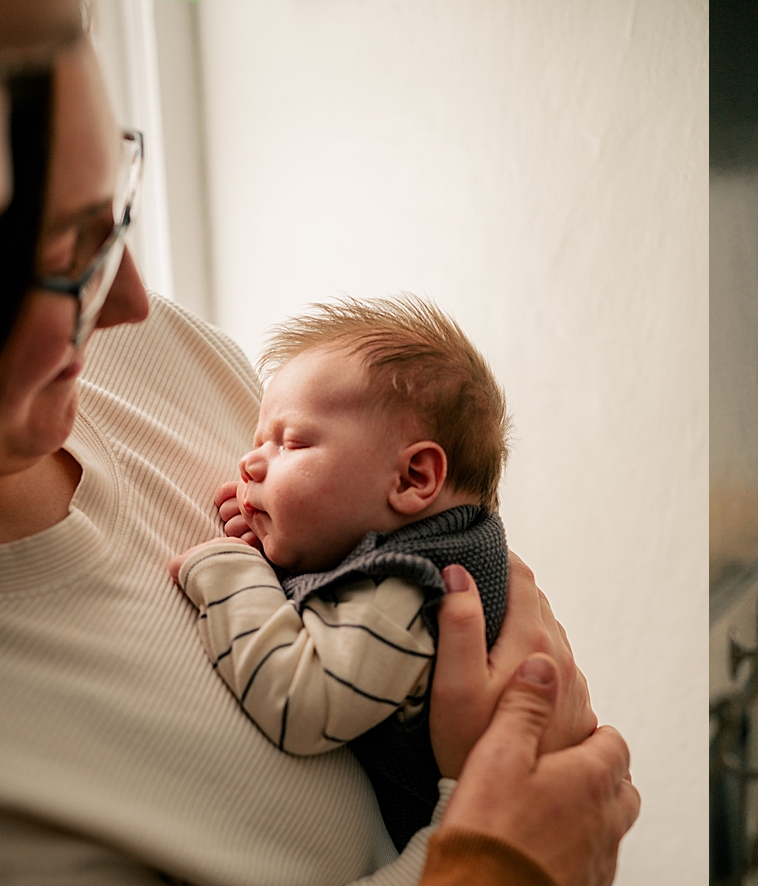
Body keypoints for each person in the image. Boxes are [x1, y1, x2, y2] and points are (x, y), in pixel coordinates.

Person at [0, 33, 638, 886]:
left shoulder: (152, 358)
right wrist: (492, 872)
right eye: (67, 255)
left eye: (115, 212)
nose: (137, 300)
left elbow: (405, 573)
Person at [172, 295, 517, 850]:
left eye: (292, 442)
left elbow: (301, 701)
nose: (250, 463)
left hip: (430, 878)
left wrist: (232, 574)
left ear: (412, 479)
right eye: (260, 441)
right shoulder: (397, 559)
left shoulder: (404, 589)